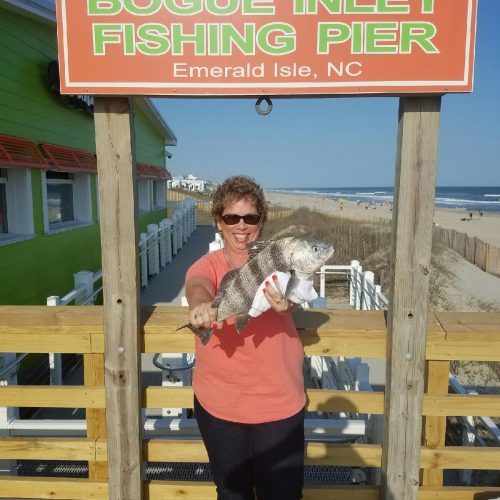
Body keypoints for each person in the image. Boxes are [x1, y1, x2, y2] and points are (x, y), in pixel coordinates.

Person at [185, 175, 305, 500]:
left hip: (280, 405)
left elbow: (297, 290)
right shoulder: (207, 264)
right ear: (218, 222)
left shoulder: (279, 260)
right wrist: (200, 308)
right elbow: (199, 285)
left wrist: (288, 303)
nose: (241, 225)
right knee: (232, 493)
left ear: (261, 221)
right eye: (231, 217)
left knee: (283, 494)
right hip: (220, 407)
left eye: (250, 217)